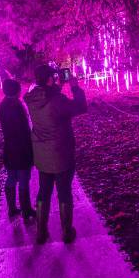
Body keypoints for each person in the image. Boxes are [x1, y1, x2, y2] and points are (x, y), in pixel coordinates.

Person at [24, 65, 87, 244]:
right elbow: (80, 107)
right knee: (64, 192)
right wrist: (75, 87)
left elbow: (48, 96)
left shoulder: (32, 99)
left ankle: (41, 232)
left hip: (43, 155)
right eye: (54, 76)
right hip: (61, 153)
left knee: (43, 192)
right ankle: (67, 232)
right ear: (49, 79)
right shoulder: (57, 100)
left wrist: (56, 86)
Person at [0, 79, 36, 220]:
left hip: (9, 147)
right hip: (22, 148)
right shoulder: (17, 106)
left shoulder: (1, 107)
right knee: (24, 179)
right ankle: (26, 210)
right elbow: (24, 129)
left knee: (11, 178)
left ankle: (12, 208)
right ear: (17, 91)